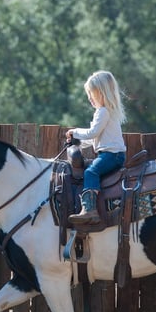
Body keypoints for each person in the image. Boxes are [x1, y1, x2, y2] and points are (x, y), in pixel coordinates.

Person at [65, 70, 127, 225]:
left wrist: (75, 132)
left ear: (101, 93)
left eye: (91, 93)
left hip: (111, 155)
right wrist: (77, 141)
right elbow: (95, 137)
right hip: (114, 154)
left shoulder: (103, 112)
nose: (89, 98)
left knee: (91, 172)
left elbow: (92, 132)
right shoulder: (108, 112)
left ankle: (89, 209)